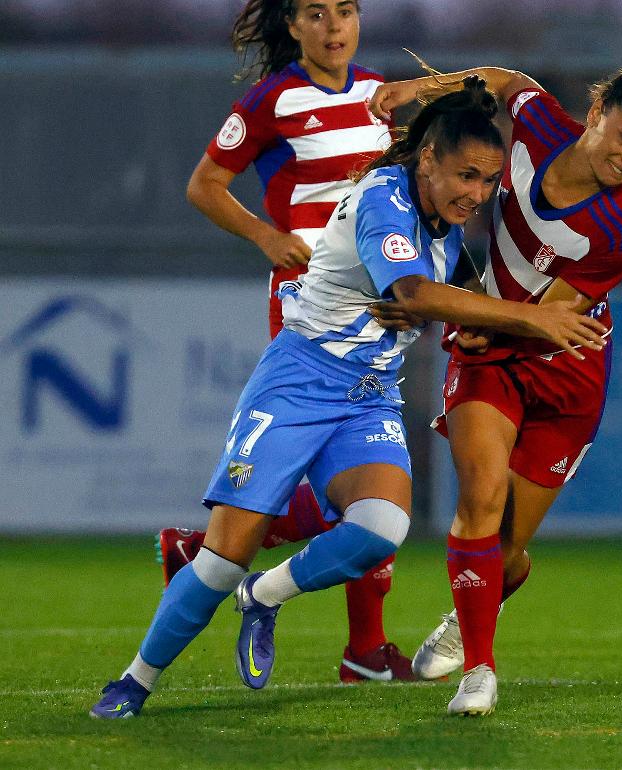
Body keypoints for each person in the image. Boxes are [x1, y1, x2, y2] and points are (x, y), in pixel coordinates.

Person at [89, 79, 608, 719]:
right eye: (465, 176)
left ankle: (265, 595)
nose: (476, 195)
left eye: (487, 181)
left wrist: (470, 320)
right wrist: (531, 318)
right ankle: (134, 681)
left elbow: (445, 297)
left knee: (381, 528)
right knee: (221, 561)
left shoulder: (444, 222)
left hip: (368, 396)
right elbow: (414, 293)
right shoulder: (385, 200)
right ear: (427, 159)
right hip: (299, 382)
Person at [366, 37, 622, 715]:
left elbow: (550, 317)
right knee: (479, 501)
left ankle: (469, 616)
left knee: (507, 550)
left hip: (566, 368)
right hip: (493, 354)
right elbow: (502, 77)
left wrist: (472, 315)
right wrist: (420, 90)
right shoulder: (537, 123)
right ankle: (480, 672)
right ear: (595, 112)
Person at [166, 0, 414, 683]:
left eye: (345, 10)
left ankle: (205, 552)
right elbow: (204, 184)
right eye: (316, 13)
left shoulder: (378, 92)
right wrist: (266, 236)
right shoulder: (272, 99)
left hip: (377, 302)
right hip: (307, 303)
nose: (334, 26)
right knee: (362, 471)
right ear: (293, 26)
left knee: (371, 471)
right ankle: (365, 648)